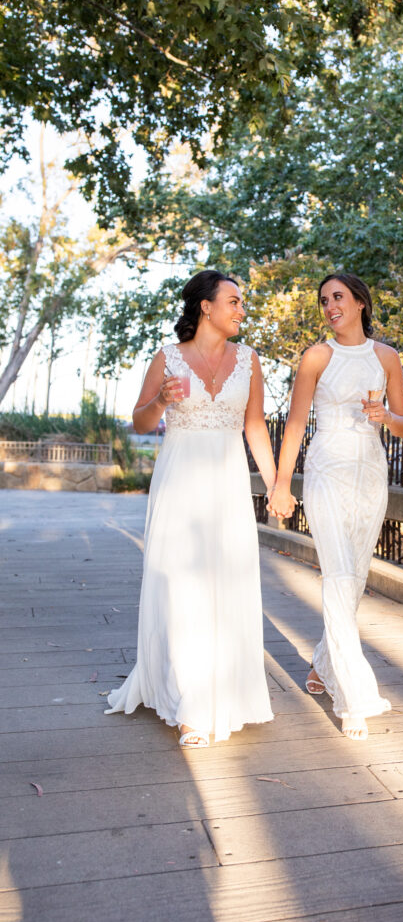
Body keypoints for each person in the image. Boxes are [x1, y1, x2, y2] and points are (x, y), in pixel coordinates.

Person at [106, 270, 280, 747]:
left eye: (241, 302)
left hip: (226, 483)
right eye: (234, 301)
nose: (241, 309)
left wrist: (276, 484)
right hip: (180, 480)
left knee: (226, 581)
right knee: (182, 587)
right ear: (206, 306)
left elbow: (256, 426)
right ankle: (189, 705)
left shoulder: (249, 360)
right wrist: (161, 399)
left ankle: (226, 690)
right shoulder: (167, 357)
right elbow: (141, 423)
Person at [268, 272, 403, 740]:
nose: (331, 306)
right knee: (338, 575)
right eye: (325, 300)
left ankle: (322, 665)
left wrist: (387, 417)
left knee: (357, 576)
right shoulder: (317, 356)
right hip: (327, 467)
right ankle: (353, 699)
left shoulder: (387, 357)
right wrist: (282, 483)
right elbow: (293, 423)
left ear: (360, 303)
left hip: (370, 470)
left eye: (339, 297)